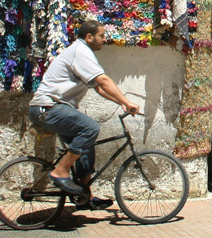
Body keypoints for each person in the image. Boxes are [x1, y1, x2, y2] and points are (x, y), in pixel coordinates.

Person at [29, 19, 140, 209]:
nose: (105, 39)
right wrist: (126, 101)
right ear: (89, 37)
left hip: (54, 108)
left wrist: (121, 104)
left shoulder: (81, 52)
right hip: (48, 107)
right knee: (90, 128)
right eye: (101, 36)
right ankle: (60, 171)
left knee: (85, 146)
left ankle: (84, 195)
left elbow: (98, 88)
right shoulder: (80, 51)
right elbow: (103, 80)